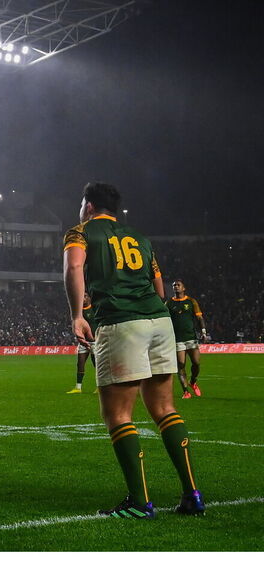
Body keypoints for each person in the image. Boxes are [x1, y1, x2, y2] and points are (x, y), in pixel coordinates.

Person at [64, 182, 204, 518]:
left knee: (118, 415)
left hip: (120, 321)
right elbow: (158, 281)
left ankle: (141, 504)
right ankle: (191, 495)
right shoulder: (139, 237)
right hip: (158, 320)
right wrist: (155, 309)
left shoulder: (80, 232)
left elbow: (73, 268)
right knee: (165, 408)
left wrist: (77, 315)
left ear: (89, 205)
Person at [167, 280, 209, 399]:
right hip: (177, 339)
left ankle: (193, 382)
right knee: (181, 365)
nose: (176, 287)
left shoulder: (191, 301)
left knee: (196, 363)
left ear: (183, 288)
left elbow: (199, 318)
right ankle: (186, 392)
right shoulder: (169, 303)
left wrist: (204, 332)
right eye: (174, 285)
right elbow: (165, 320)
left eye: (178, 285)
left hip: (191, 338)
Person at [66, 290, 98, 394]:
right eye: (82, 296)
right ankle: (78, 387)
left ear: (89, 298)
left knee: (96, 365)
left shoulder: (95, 309)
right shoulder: (79, 312)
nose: (83, 299)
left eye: (85, 296)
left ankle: (99, 387)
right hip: (84, 343)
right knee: (80, 364)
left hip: (95, 342)